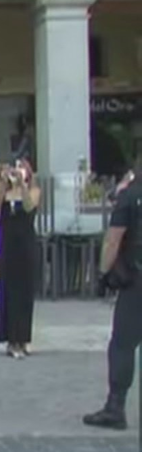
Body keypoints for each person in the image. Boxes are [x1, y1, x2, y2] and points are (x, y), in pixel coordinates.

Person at [87, 171, 142, 430]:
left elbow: (113, 239)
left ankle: (115, 406)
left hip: (137, 280)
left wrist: (103, 274)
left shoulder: (130, 196)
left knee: (123, 343)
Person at [0, 157, 42, 359]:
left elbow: (30, 207)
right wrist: (3, 183)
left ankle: (24, 338)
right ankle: (11, 339)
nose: (18, 171)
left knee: (25, 292)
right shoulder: (5, 192)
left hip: (26, 246)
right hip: (8, 246)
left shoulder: (33, 190)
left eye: (22, 168)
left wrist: (22, 185)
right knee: (9, 291)